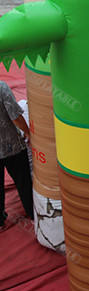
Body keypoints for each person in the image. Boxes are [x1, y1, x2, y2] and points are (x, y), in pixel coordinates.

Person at [0, 80, 34, 226]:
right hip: (11, 146)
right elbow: (16, 116)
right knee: (23, 181)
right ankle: (32, 211)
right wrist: (27, 132)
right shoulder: (1, 87)